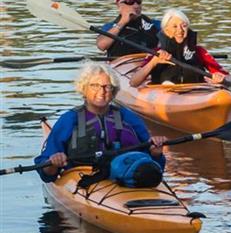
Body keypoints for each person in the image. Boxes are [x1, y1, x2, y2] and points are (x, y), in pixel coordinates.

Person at [37, 63, 165, 184]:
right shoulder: (70, 119)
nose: (102, 91)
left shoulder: (127, 117)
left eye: (107, 86)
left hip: (126, 176)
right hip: (83, 178)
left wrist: (156, 153)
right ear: (84, 89)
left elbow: (155, 164)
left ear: (113, 90)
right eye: (94, 86)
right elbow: (47, 175)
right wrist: (53, 162)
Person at [128, 9, 229, 87]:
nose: (180, 30)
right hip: (165, 94)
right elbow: (133, 82)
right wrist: (153, 62)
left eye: (184, 26)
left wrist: (221, 79)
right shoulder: (157, 53)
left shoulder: (199, 51)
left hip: (196, 93)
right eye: (175, 26)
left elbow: (228, 78)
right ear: (166, 31)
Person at [96, 0, 161, 59]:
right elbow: (101, 46)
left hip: (149, 61)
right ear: (119, 5)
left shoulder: (155, 24)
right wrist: (122, 22)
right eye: (130, 2)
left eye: (138, 1)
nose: (136, 6)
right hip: (120, 62)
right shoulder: (110, 27)